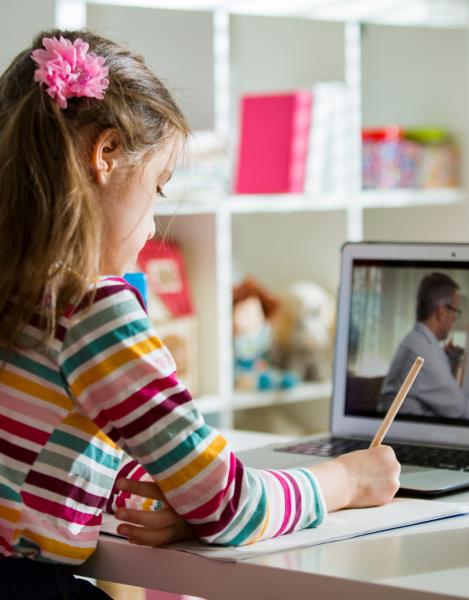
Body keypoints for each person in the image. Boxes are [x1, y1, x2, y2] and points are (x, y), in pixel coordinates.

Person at [0, 30, 401, 598]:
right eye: (159, 185)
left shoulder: (18, 292)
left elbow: (41, 453)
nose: (154, 222)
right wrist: (345, 478)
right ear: (106, 155)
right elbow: (233, 506)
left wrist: (165, 490)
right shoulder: (90, 308)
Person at [378, 272, 469, 419]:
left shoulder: (416, 342)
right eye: (455, 311)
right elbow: (467, 414)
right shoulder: (423, 353)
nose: (454, 319)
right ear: (442, 312)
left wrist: (449, 363)